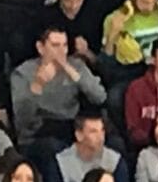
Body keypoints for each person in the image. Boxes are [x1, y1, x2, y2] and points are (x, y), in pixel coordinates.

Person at [11, 27, 108, 155]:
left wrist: (73, 73)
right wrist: (38, 85)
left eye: (65, 45)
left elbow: (100, 97)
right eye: (55, 46)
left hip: (70, 125)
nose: (61, 51)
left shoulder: (76, 66)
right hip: (38, 133)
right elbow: (22, 119)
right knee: (55, 148)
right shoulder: (23, 73)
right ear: (41, 48)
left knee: (111, 142)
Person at [49, 111, 132, 182]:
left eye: (102, 130)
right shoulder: (61, 163)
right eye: (93, 132)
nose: (100, 137)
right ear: (79, 135)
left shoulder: (115, 161)